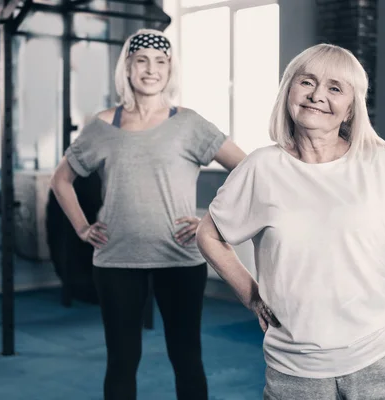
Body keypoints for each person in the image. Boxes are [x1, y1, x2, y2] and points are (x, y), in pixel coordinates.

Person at [196, 43, 385, 400]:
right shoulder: (261, 169)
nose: (318, 95)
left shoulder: (380, 164)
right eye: (306, 82)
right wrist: (251, 294)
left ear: (350, 108)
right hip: (296, 367)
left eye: (335, 88)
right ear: (288, 90)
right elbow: (209, 234)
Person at [50, 28, 246, 400]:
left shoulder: (189, 123)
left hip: (180, 259)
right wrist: (81, 227)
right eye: (142, 60)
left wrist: (212, 221)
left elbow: (248, 171)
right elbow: (61, 180)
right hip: (116, 260)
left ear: (171, 70)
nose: (150, 69)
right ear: (128, 67)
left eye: (160, 62)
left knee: (186, 357)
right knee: (122, 361)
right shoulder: (102, 126)